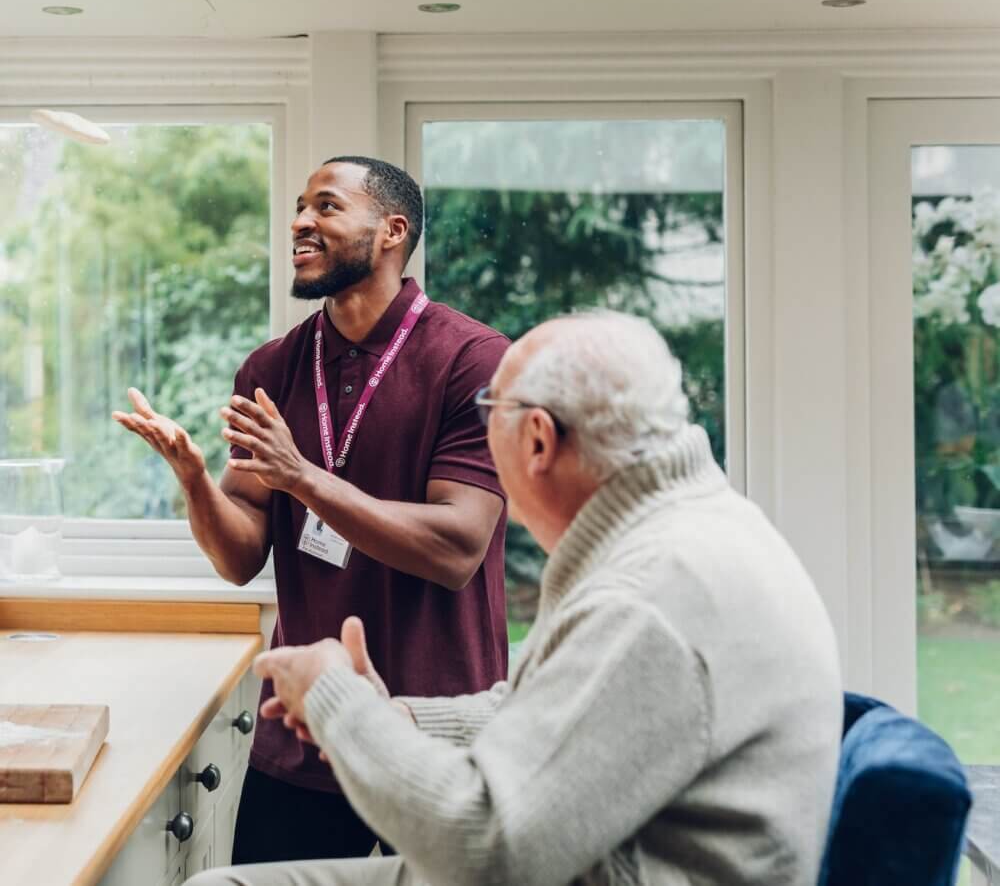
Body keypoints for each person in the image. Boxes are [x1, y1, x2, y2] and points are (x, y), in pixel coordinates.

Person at [186, 310, 844, 886]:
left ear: (536, 439)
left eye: (486, 414)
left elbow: (485, 850)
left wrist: (338, 700)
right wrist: (406, 719)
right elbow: (567, 709)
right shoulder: (691, 528)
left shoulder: (648, 595)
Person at [114, 156, 509, 864]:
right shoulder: (271, 369)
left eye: (326, 206)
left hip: (434, 744)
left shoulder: (474, 359)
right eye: (299, 206)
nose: (300, 221)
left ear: (391, 230)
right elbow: (239, 558)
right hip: (300, 745)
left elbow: (457, 549)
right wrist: (197, 481)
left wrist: (302, 476)